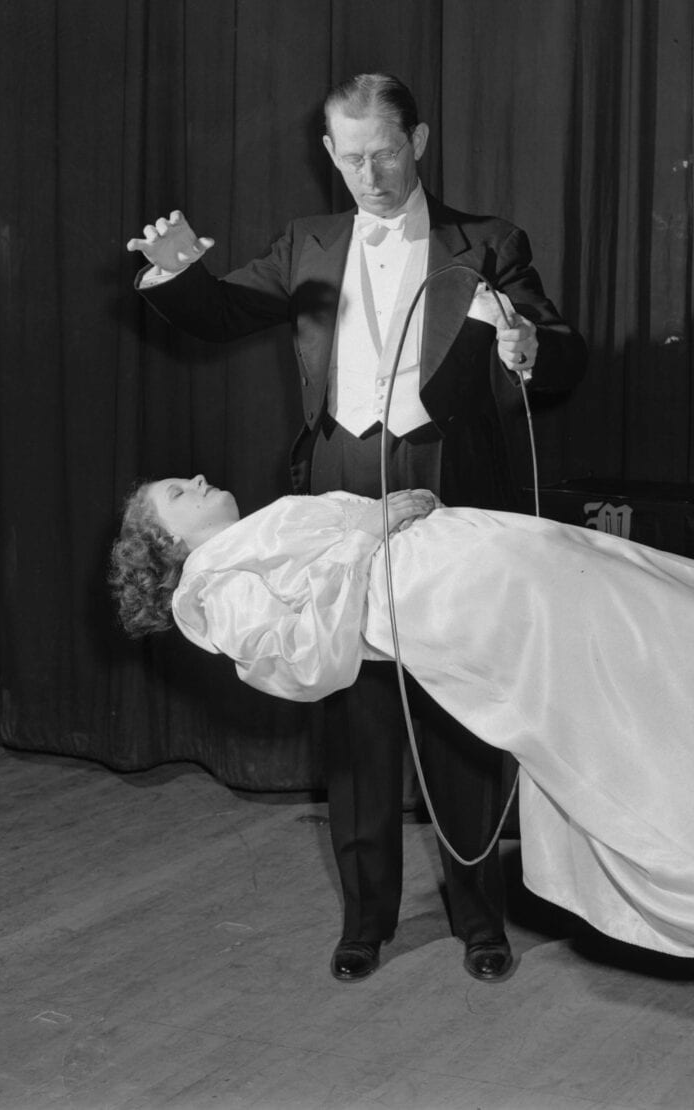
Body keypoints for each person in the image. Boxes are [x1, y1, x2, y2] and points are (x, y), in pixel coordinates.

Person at [108, 476, 694, 960]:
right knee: (688, 648)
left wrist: (399, 509)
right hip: (472, 603)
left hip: (491, 565)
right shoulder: (209, 593)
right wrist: (372, 531)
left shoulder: (248, 538)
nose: (198, 478)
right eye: (178, 493)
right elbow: (315, 660)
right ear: (169, 543)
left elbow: (361, 533)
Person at [124, 73, 587, 984]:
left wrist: (530, 349)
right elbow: (222, 311)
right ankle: (366, 921)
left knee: (457, 706)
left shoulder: (489, 242)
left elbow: (559, 347)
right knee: (360, 715)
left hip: (450, 482)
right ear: (329, 154)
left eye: (385, 153)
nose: (369, 175)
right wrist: (175, 271)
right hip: (339, 485)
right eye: (350, 158)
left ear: (419, 141)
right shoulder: (307, 241)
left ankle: (479, 920)